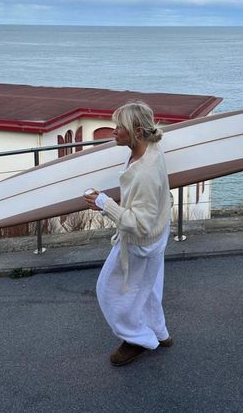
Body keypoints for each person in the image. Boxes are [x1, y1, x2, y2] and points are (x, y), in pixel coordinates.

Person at [84, 101, 173, 366]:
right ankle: (159, 332)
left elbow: (140, 223)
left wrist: (104, 204)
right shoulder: (150, 148)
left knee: (109, 291)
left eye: (119, 127)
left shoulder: (144, 171)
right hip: (158, 234)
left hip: (142, 242)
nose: (113, 131)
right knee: (149, 287)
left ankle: (137, 340)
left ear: (137, 131)